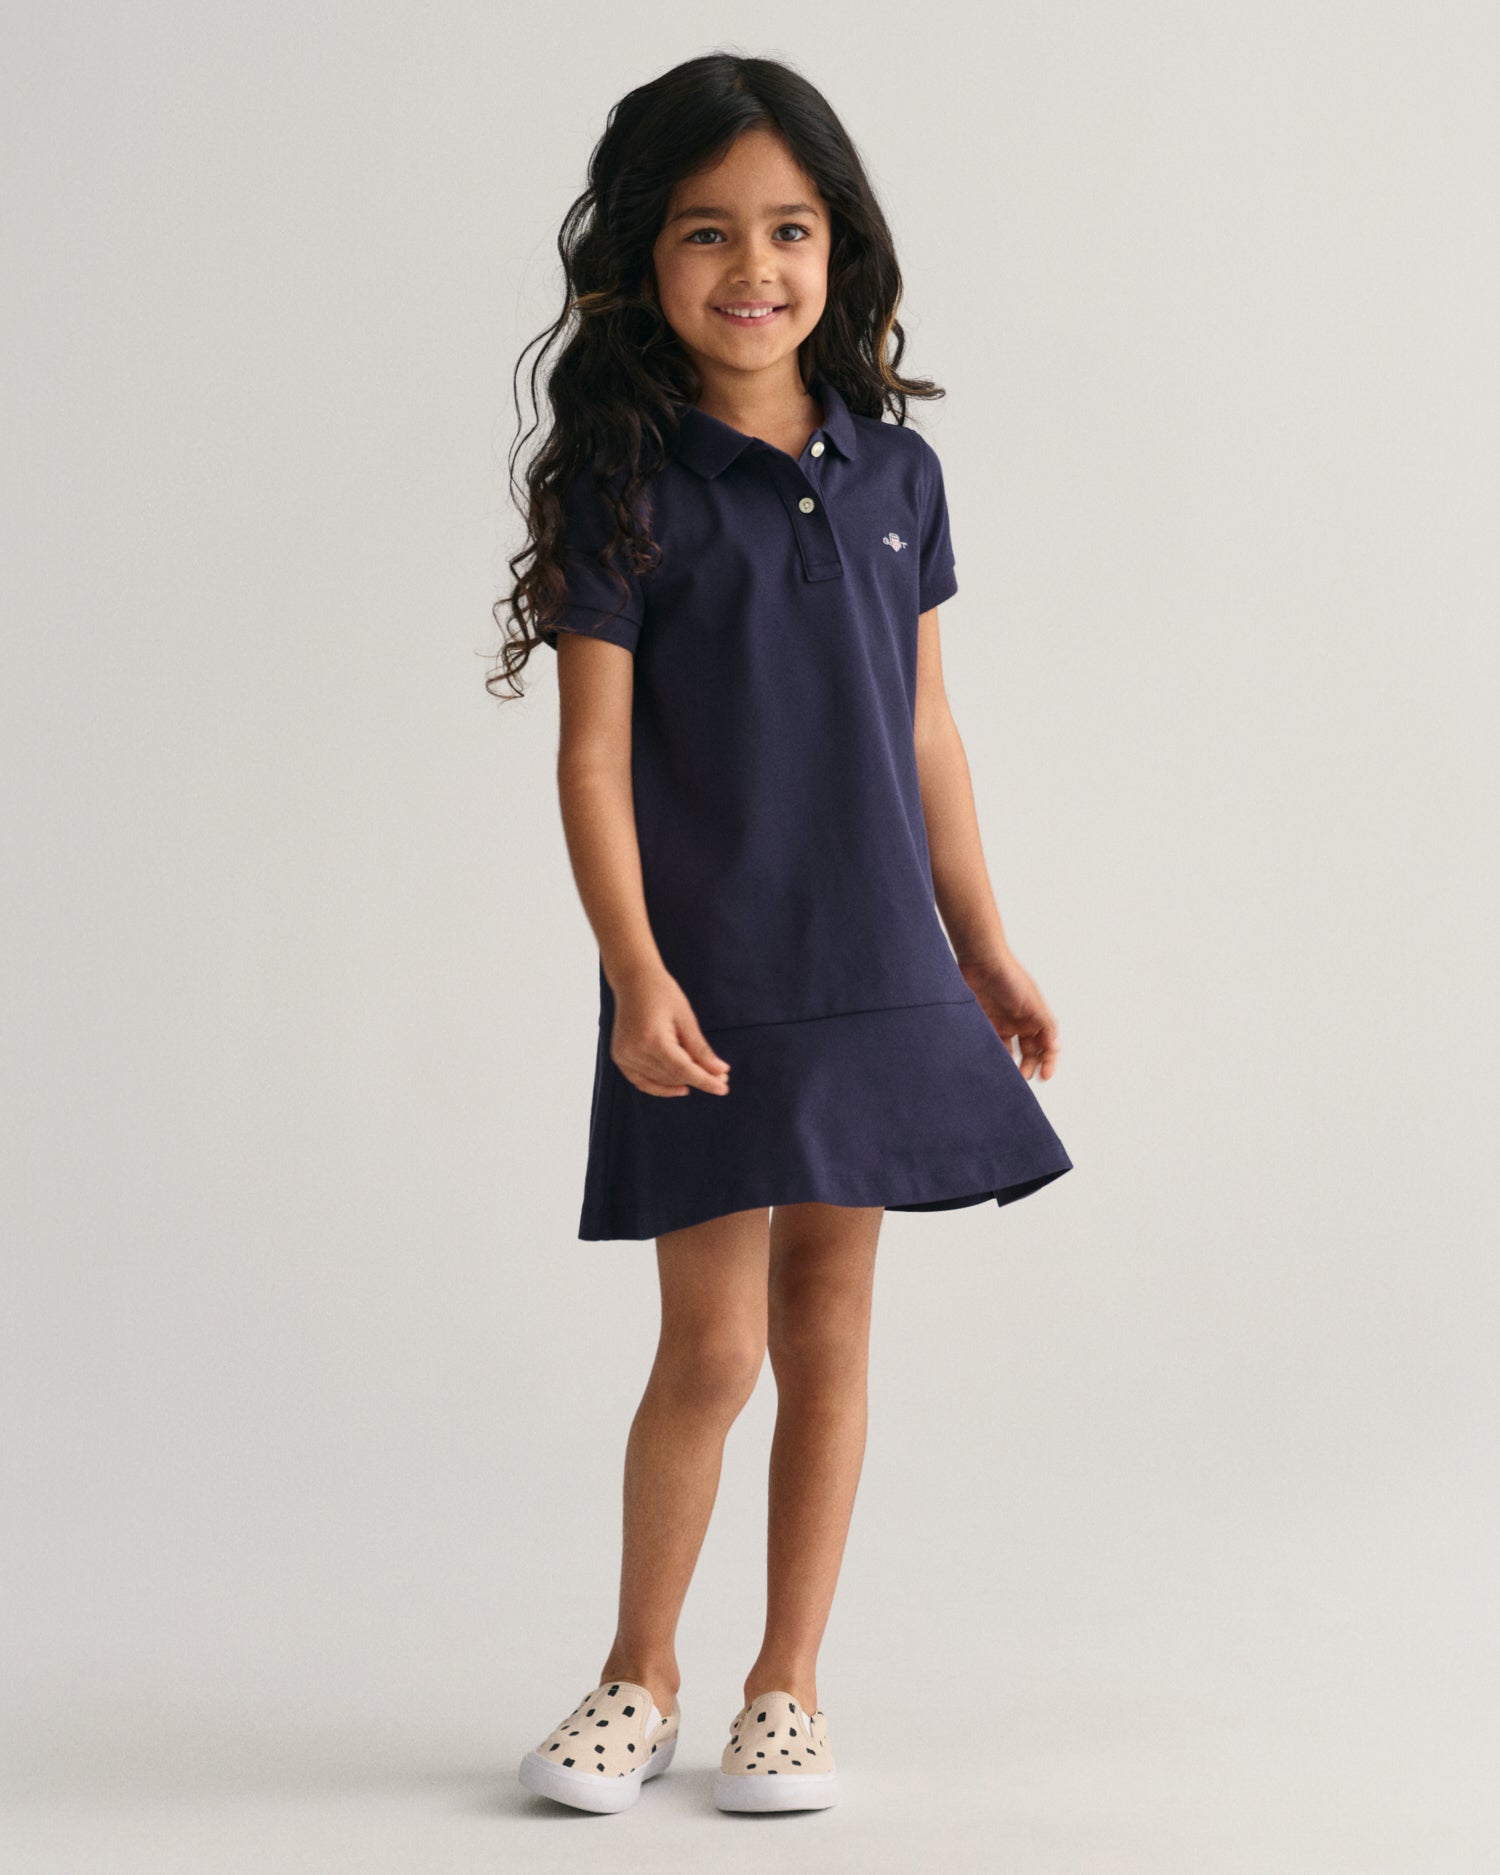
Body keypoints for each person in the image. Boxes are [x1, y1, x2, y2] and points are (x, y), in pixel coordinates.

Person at [493, 51, 1074, 1815]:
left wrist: (984, 942)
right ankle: (638, 1676)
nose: (754, 266)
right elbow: (593, 760)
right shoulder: (623, 489)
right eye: (707, 232)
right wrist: (636, 972)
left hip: (881, 964)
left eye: (790, 228)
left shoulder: (901, 475)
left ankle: (787, 1687)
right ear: (640, 262)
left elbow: (927, 733)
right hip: (715, 981)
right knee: (712, 1348)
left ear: (840, 247)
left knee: (829, 1328)